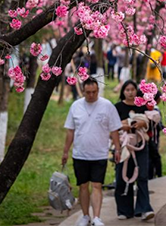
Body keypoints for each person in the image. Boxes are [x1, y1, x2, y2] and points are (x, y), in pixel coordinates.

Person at [62, 77, 122, 226]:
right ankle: (85, 216)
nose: (91, 95)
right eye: (88, 92)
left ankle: (96, 217)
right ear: (83, 91)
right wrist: (65, 152)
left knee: (97, 185)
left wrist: (117, 149)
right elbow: (70, 131)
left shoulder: (107, 106)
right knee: (83, 186)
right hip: (80, 153)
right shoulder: (76, 106)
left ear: (98, 90)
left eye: (94, 92)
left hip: (99, 153)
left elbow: (114, 129)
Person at [114, 80, 155, 221]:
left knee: (142, 176)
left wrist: (143, 123)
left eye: (133, 89)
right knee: (123, 176)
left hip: (141, 145)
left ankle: (144, 209)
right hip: (123, 145)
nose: (130, 92)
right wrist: (123, 125)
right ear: (123, 92)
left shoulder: (142, 106)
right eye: (127, 90)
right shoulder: (118, 107)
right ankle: (124, 210)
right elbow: (112, 126)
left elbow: (151, 122)